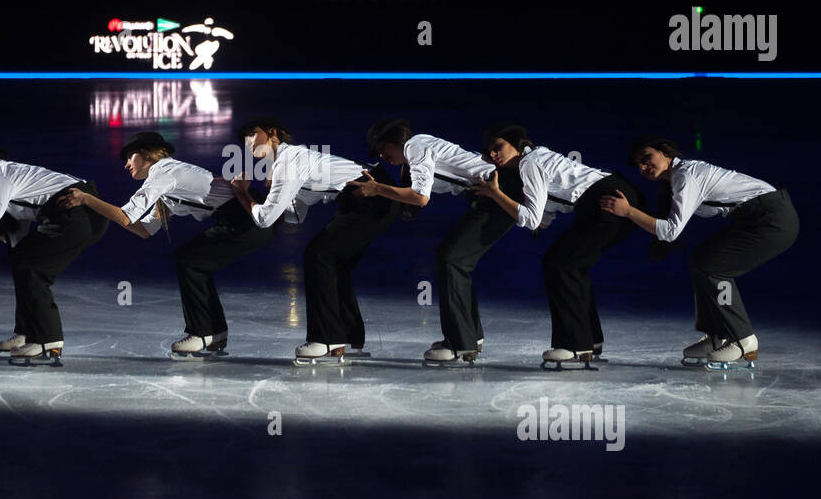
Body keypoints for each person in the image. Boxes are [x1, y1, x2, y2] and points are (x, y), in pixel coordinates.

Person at [60, 130, 272, 358]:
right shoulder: (167, 181)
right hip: (237, 219)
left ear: (146, 154)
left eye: (129, 157)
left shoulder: (164, 172)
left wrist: (86, 199)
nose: (126, 165)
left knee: (190, 260)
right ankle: (215, 333)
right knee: (192, 261)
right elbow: (144, 229)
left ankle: (202, 333)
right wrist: (104, 212)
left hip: (247, 219)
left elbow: (126, 216)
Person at [599, 135, 799, 369]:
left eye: (647, 158)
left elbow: (671, 231)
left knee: (713, 267)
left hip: (772, 219)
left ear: (665, 152)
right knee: (702, 260)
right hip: (762, 217)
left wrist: (628, 212)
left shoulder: (686, 175)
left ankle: (742, 338)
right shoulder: (678, 179)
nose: (643, 167)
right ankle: (717, 336)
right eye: (638, 165)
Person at [228, 117, 399, 365]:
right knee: (334, 263)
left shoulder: (288, 161)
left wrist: (243, 195)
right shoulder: (287, 162)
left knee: (318, 257)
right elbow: (297, 215)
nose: (248, 142)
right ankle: (349, 338)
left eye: (252, 134)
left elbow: (265, 219)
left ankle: (327, 339)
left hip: (371, 195)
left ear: (272, 132)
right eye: (244, 139)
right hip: (366, 198)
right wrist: (276, 193)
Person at [474, 122, 644, 369]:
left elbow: (532, 217)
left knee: (560, 265)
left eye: (497, 146)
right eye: (488, 150)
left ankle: (574, 345)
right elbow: (548, 205)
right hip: (615, 193)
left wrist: (495, 194)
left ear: (517, 143)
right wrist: (540, 220)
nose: (492, 154)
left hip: (605, 201)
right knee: (572, 266)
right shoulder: (537, 157)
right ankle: (589, 340)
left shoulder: (529, 163)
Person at [353, 118, 519, 365]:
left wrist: (377, 190)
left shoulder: (415, 146)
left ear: (395, 142)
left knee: (451, 259)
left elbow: (420, 197)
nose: (382, 155)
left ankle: (459, 343)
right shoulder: (417, 151)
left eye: (382, 148)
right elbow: (421, 192)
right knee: (456, 261)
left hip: (498, 192)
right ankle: (469, 336)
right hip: (493, 194)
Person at [0, 136, 108, 367]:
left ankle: (46, 340)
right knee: (24, 262)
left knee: (33, 268)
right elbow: (19, 226)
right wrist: (16, 252)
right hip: (71, 216)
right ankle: (27, 332)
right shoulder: (6, 176)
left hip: (77, 212)